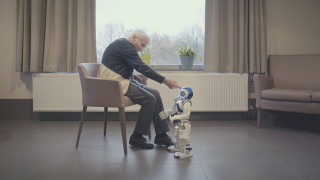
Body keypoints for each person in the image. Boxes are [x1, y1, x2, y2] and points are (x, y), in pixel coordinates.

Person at [100, 29, 181, 149]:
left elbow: (116, 65)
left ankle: (161, 135)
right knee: (149, 99)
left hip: (121, 80)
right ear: (133, 38)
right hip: (113, 83)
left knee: (156, 94)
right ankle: (137, 137)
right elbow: (141, 66)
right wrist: (164, 80)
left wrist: (132, 76)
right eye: (142, 45)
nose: (142, 49)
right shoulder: (125, 45)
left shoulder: (123, 45)